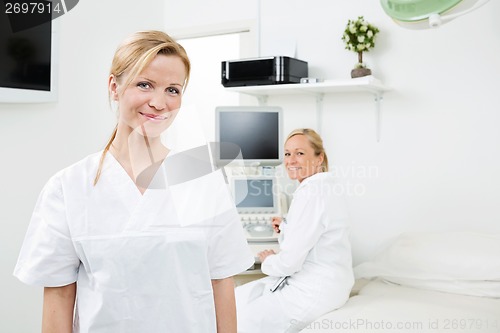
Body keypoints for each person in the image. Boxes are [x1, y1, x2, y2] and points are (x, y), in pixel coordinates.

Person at [13, 30, 254, 333]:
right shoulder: (68, 187)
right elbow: (60, 296)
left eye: (173, 90)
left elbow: (221, 280)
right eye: (144, 85)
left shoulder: (202, 179)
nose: (159, 102)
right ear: (114, 87)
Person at [235, 128, 354, 333]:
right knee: (239, 296)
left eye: (299, 153)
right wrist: (286, 226)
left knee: (236, 315)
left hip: (312, 292)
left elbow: (289, 263)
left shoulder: (310, 193)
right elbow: (314, 230)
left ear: (319, 158)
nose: (291, 160)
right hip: (333, 284)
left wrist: (268, 261)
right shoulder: (326, 186)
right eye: (288, 154)